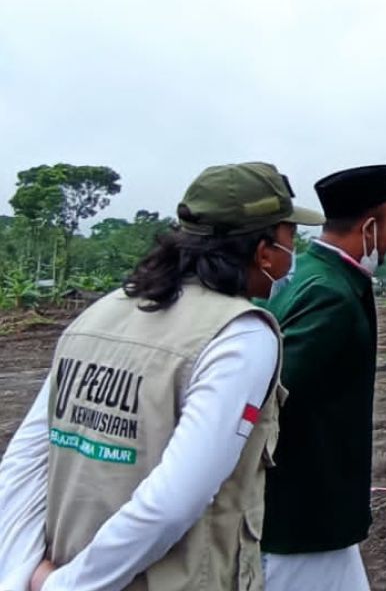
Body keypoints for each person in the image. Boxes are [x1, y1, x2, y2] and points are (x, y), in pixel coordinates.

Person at [0, 161, 324, 591]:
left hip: (58, 566)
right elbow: (175, 502)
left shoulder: (101, 312)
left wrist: (24, 573)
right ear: (263, 251)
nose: (291, 255)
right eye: (289, 239)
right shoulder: (240, 336)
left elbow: (23, 462)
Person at [260, 165, 386, 591]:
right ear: (371, 227)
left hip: (320, 512)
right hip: (304, 515)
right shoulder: (329, 294)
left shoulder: (307, 275)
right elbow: (276, 399)